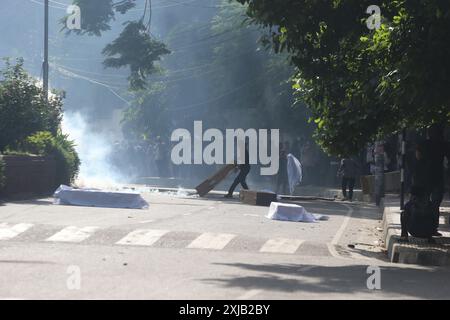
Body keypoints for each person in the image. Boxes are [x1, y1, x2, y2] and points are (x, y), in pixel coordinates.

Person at [417, 125, 450, 236]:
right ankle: (433, 228)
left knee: (423, 202)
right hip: (438, 177)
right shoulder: (444, 145)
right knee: (435, 204)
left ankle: (421, 226)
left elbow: (418, 157)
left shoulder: (423, 144)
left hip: (423, 178)